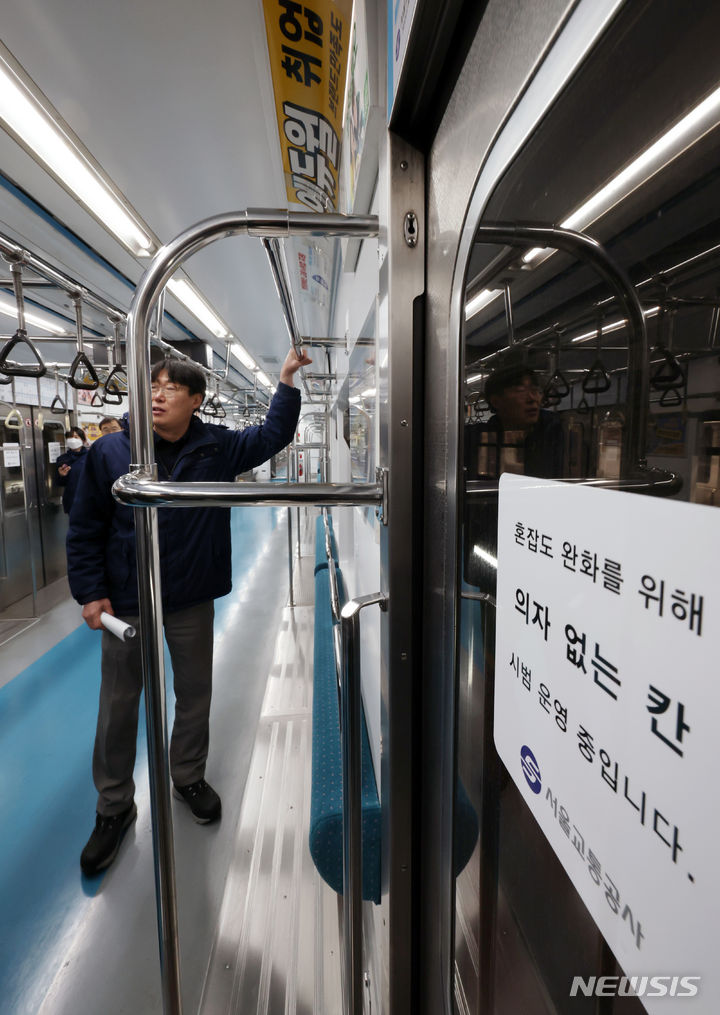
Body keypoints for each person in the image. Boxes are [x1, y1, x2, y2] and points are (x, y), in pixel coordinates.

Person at [67, 348, 311, 876]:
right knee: (118, 702)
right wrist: (90, 591)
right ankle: (113, 805)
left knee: (195, 691)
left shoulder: (215, 447)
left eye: (171, 388)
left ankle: (188, 777)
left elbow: (271, 436)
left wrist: (286, 381)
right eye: (152, 386)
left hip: (190, 594)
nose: (157, 395)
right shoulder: (112, 451)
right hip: (128, 596)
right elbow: (85, 526)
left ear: (196, 400)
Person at [56, 426, 89, 514]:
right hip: (71, 499)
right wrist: (62, 476)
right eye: (70, 437)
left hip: (89, 499)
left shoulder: (91, 456)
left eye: (76, 437)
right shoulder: (62, 459)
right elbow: (60, 483)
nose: (72, 440)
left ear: (83, 440)